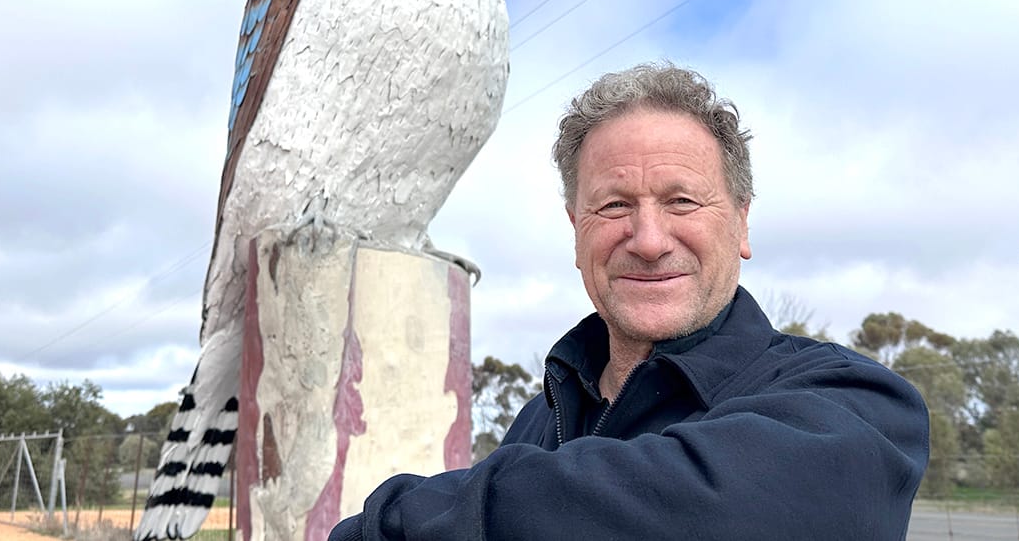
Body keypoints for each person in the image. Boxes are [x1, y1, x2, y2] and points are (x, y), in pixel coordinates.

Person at [330, 63, 930, 540]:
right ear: (576, 230)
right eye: (614, 205)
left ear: (741, 223)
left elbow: (719, 516)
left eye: (682, 202)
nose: (647, 240)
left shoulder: (856, 407)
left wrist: (392, 522)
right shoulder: (541, 419)